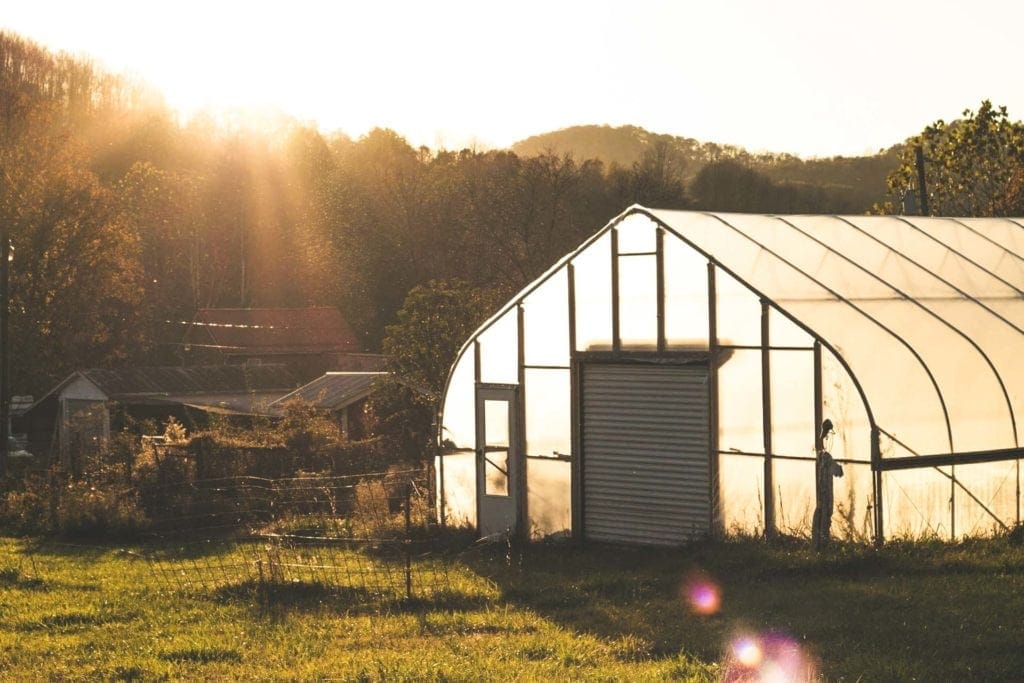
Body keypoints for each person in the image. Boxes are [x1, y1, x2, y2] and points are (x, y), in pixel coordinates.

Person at [812, 419, 844, 548]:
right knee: (824, 518)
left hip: (822, 494)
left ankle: (819, 545)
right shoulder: (825, 458)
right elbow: (839, 472)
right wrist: (838, 467)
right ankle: (821, 545)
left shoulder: (822, 457)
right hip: (825, 495)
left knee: (822, 517)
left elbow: (837, 472)